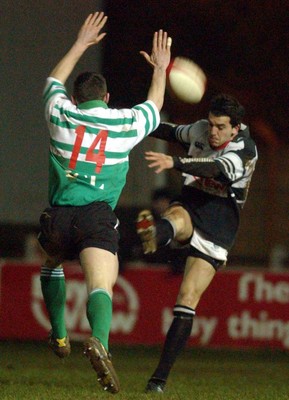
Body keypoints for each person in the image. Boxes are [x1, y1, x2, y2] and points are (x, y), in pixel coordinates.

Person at [37, 11, 171, 395]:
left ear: (75, 98)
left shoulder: (60, 113)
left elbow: (51, 82)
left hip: (58, 216)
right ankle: (100, 343)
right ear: (107, 98)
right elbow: (154, 104)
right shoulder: (124, 123)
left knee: (51, 264)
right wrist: (160, 68)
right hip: (96, 217)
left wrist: (80, 43)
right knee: (101, 284)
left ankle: (59, 335)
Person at [136, 93, 258, 393]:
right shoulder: (201, 129)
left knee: (188, 298)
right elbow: (168, 130)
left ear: (235, 128)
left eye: (220, 127)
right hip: (193, 202)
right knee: (176, 217)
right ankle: (157, 235)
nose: (213, 132)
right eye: (212, 124)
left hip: (221, 219)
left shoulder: (245, 150)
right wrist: (135, 122)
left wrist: (174, 162)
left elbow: (213, 169)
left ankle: (158, 380)